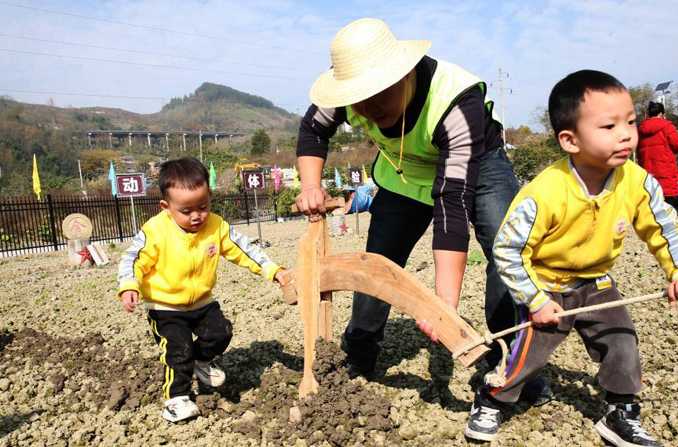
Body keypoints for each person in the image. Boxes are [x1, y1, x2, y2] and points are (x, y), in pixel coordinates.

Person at [293, 17, 538, 384]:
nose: (369, 109)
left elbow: (450, 204)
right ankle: (358, 353)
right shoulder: (348, 94)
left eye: (379, 95)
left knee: (508, 248)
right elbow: (313, 129)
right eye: (359, 102)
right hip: (405, 172)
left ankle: (511, 357)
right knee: (377, 260)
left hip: (478, 164)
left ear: (402, 74)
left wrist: (443, 310)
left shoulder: (455, 101)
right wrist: (310, 186)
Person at [464, 70, 678, 446]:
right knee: (528, 358)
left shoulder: (636, 181)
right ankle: (492, 397)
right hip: (546, 285)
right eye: (608, 126)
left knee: (622, 341)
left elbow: (664, 227)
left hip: (597, 282)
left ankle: (621, 412)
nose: (626, 134)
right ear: (570, 140)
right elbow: (507, 251)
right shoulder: (544, 192)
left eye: (630, 122)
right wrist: (536, 300)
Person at [117, 157, 287, 423]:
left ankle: (201, 362)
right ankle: (176, 399)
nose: (197, 216)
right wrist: (129, 285)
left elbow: (244, 250)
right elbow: (133, 259)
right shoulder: (155, 231)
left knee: (221, 333)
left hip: (202, 302)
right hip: (165, 307)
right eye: (186, 211)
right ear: (166, 206)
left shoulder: (216, 226)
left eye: (203, 206)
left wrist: (273, 270)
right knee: (178, 350)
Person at [637, 101, 678, 207]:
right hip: (665, 165)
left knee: (651, 196)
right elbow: (676, 145)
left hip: (646, 167)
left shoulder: (640, 129)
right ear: (662, 114)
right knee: (667, 196)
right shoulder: (667, 126)